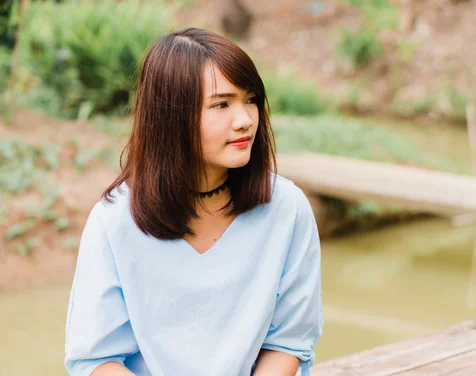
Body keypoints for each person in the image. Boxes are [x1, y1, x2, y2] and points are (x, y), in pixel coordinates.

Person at [64, 28, 323, 376]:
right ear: (172, 117)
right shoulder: (113, 221)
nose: (245, 120)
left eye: (250, 100)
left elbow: (288, 342)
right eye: (221, 104)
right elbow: (96, 359)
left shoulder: (286, 209)